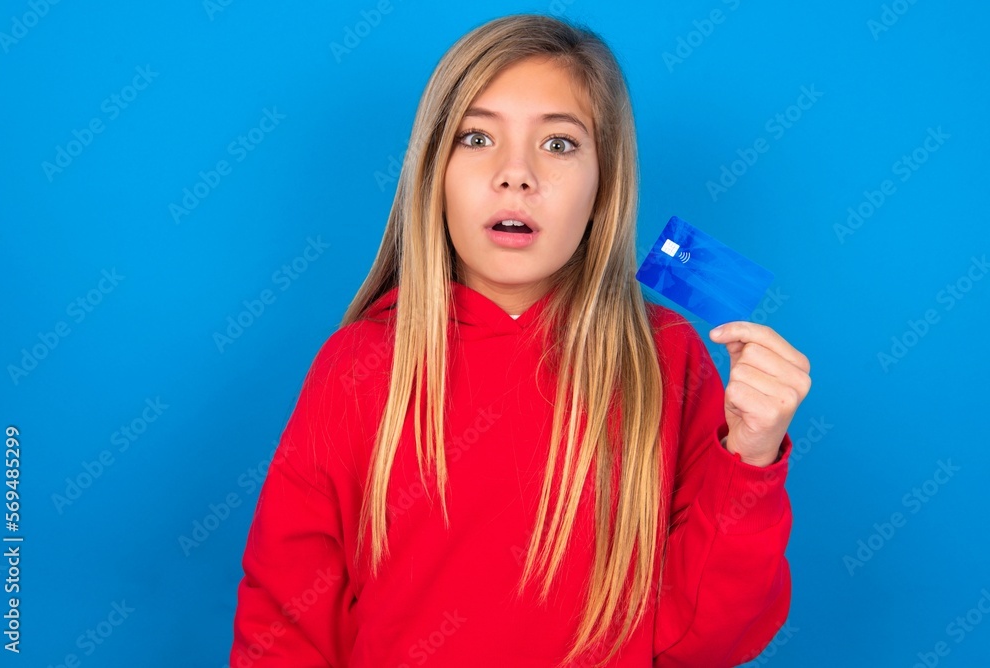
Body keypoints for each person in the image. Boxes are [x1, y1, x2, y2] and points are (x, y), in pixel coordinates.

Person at [230, 12, 811, 668]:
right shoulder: (359, 367)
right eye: (476, 138)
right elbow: (284, 626)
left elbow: (705, 641)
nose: (515, 174)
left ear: (604, 186)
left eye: (559, 144)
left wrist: (750, 459)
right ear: (433, 174)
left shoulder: (665, 359)